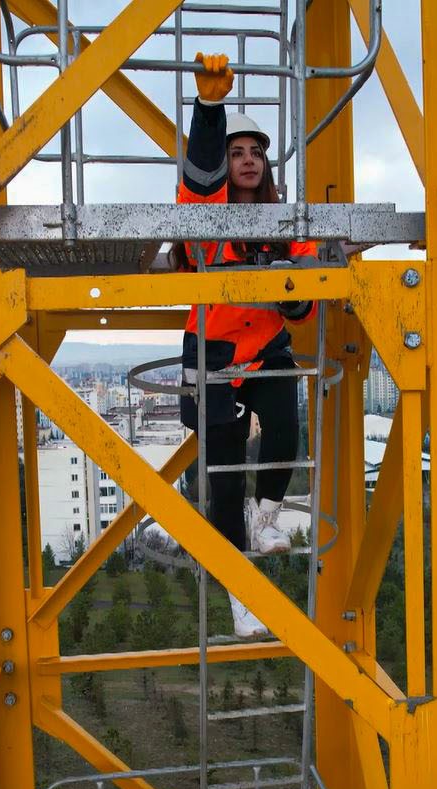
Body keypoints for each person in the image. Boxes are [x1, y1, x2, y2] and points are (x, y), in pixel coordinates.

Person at [177, 52, 315, 638]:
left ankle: (269, 518)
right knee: (226, 478)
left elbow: (306, 301)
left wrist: (284, 286)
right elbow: (199, 178)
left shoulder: (285, 223)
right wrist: (210, 111)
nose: (248, 161)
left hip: (266, 348)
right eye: (238, 153)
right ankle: (240, 593)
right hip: (213, 354)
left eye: (256, 153)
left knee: (287, 430)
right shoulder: (206, 215)